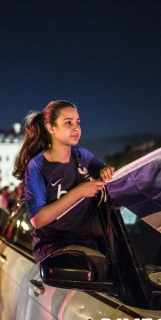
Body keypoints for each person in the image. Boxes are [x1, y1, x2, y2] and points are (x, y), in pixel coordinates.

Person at [12, 100, 114, 265]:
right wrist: (78, 192)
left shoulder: (84, 156)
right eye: (68, 123)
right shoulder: (37, 166)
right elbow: (37, 219)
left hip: (87, 241)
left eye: (78, 123)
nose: (76, 128)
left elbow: (106, 175)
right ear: (51, 128)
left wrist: (106, 171)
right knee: (101, 268)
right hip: (53, 246)